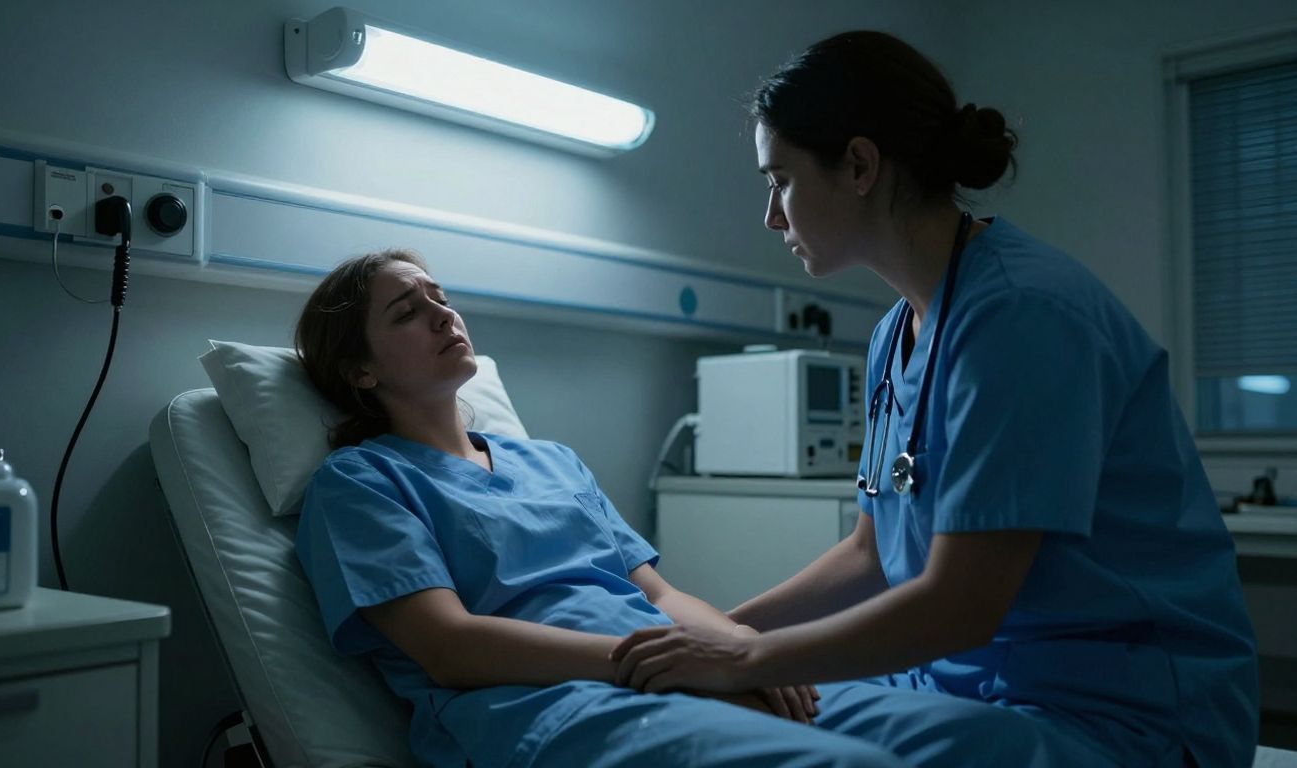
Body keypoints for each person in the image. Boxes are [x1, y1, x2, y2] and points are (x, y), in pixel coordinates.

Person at [610, 30, 1259, 768]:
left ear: (859, 165)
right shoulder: (898, 334)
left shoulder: (1021, 314)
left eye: (781, 179)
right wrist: (723, 633)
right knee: (745, 705)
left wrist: (745, 660)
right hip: (977, 686)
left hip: (1125, 716)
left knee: (761, 718)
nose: (773, 217)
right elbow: (871, 553)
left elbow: (959, 604)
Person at [293, 249, 908, 768]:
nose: (443, 316)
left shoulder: (552, 461)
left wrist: (743, 646)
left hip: (671, 665)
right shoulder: (360, 482)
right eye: (408, 312)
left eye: (440, 298)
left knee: (970, 741)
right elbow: (450, 647)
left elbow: (661, 597)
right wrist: (666, 665)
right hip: (549, 704)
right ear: (362, 373)